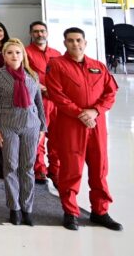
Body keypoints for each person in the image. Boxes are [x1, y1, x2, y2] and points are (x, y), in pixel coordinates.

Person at [45, 28, 122, 231]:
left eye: (78, 40)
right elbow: (56, 94)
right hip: (71, 124)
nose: (75, 44)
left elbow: (110, 92)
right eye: (70, 41)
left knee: (100, 168)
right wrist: (81, 113)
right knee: (71, 169)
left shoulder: (98, 66)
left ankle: (100, 211)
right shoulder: (56, 65)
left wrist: (96, 112)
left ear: (85, 43)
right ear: (65, 43)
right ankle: (70, 212)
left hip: (96, 125)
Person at [0, 39, 45, 226]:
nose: (14, 56)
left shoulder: (32, 76)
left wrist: (43, 126)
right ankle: (14, 208)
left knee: (27, 167)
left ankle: (27, 208)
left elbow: (38, 103)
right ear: (4, 55)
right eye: (10, 52)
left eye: (18, 53)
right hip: (8, 125)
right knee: (11, 166)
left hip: (31, 125)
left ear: (23, 55)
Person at [25, 21, 61, 184]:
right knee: (38, 135)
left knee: (57, 136)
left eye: (42, 31)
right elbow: (26, 76)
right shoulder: (25, 53)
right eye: (36, 31)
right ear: (31, 34)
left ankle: (56, 169)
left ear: (47, 33)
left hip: (57, 101)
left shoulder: (57, 53)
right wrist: (42, 89)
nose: (40, 34)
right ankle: (39, 169)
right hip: (37, 100)